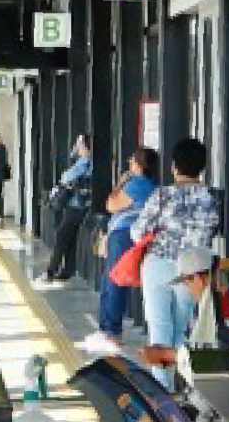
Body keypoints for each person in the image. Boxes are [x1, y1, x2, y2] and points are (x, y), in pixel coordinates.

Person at [132, 136, 221, 352]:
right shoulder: (212, 198)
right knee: (180, 330)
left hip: (158, 264)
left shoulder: (162, 195)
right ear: (202, 168)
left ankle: (161, 374)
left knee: (159, 330)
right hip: (191, 269)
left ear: (174, 167)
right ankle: (179, 371)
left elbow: (137, 233)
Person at [79, 143, 160, 355]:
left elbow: (111, 205)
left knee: (113, 281)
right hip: (129, 235)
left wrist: (119, 184)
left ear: (139, 164)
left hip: (123, 235)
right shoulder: (152, 185)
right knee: (113, 279)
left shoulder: (137, 184)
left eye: (132, 159)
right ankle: (108, 328)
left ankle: (110, 331)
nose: (129, 162)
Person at [39, 135, 95, 283]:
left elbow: (66, 177)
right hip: (84, 205)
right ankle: (67, 270)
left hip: (76, 206)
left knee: (61, 237)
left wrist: (73, 154)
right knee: (71, 237)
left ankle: (51, 271)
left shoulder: (84, 162)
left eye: (78, 143)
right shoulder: (92, 162)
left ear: (84, 146)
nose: (76, 146)